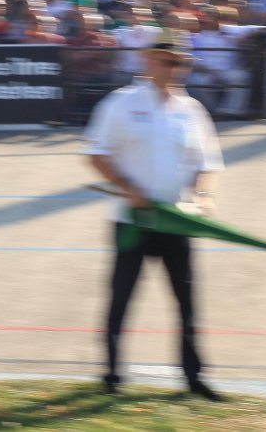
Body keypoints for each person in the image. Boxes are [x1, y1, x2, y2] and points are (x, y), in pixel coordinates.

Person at [82, 41, 225, 401]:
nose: (173, 69)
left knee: (186, 301)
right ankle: (112, 375)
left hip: (175, 220)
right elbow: (96, 154)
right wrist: (127, 187)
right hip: (132, 220)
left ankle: (193, 378)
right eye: (166, 62)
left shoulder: (191, 110)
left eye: (179, 64)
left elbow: (205, 162)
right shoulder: (121, 103)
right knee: (121, 297)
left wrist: (202, 195)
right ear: (147, 63)